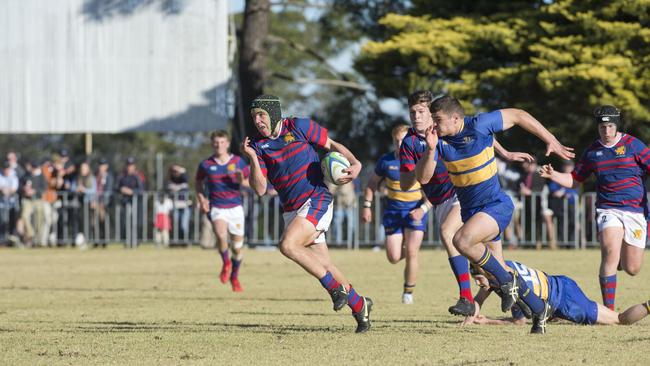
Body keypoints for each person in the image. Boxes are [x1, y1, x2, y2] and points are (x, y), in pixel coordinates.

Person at [418, 95, 574, 331]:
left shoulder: (479, 124)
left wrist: (551, 139)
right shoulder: (437, 141)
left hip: (496, 206)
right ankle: (540, 309)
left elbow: (519, 115)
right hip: (473, 214)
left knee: (461, 240)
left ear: (456, 118)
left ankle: (507, 282)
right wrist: (430, 150)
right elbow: (423, 177)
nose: (434, 124)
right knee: (495, 271)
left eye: (437, 119)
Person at [242, 94, 373, 333]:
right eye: (254, 117)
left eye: (262, 115)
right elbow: (260, 189)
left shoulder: (299, 126)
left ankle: (334, 289)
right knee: (323, 264)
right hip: (291, 210)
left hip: (316, 199)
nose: (258, 121)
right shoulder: (257, 146)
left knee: (288, 245)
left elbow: (332, 145)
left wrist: (355, 163)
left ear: (273, 114)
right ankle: (360, 304)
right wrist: (251, 157)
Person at [400, 91, 535, 316]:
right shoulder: (411, 143)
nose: (418, 117)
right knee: (490, 267)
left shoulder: (448, 131)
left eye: (423, 112)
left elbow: (480, 134)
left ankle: (465, 297)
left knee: (449, 233)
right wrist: (413, 166)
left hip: (461, 193)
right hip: (438, 200)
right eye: (412, 112)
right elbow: (408, 183)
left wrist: (505, 153)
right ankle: (530, 304)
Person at [540, 105, 650, 311]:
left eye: (609, 127)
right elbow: (574, 180)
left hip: (635, 210)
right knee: (609, 252)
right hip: (608, 209)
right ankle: (608, 310)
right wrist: (553, 175)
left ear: (616, 126)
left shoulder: (633, 145)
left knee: (633, 269)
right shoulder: (592, 151)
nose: (606, 132)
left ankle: (620, 260)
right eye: (602, 127)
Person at [468, 261, 650, 332]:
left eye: (478, 279)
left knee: (620, 320)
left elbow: (519, 322)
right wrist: (470, 316)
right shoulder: (501, 267)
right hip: (561, 283)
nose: (477, 284)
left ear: (488, 274)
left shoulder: (512, 288)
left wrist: (487, 321)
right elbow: (479, 299)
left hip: (566, 302)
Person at [363, 123, 428, 304]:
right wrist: (367, 206)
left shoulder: (421, 160)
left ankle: (408, 293)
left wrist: (422, 209)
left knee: (412, 252)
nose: (400, 145)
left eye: (403, 141)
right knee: (393, 257)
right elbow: (371, 184)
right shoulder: (386, 161)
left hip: (415, 212)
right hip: (393, 212)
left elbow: (434, 193)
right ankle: (409, 250)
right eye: (396, 141)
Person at [196, 130, 250, 292]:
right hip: (217, 206)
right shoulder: (206, 164)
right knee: (220, 235)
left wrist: (241, 179)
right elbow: (198, 182)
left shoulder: (238, 162)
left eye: (222, 142)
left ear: (227, 144)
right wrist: (202, 199)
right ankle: (226, 263)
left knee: (237, 247)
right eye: (215, 143)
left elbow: (249, 183)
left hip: (235, 208)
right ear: (212, 144)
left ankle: (234, 275)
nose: (218, 146)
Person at [520, 161, 556, 249]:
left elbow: (541, 187)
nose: (525, 166)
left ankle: (552, 242)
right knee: (532, 223)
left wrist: (530, 192)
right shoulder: (524, 175)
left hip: (542, 203)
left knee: (543, 222)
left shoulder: (539, 174)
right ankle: (535, 242)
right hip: (529, 204)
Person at [547, 161, 579, 244]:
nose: (567, 168)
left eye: (569, 166)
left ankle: (572, 242)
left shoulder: (575, 177)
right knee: (561, 223)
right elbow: (553, 188)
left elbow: (575, 190)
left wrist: (564, 192)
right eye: (566, 166)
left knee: (572, 222)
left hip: (571, 204)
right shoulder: (558, 177)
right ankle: (561, 242)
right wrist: (561, 193)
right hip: (560, 205)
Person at [117, 157, 144, 247]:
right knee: (125, 223)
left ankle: (135, 241)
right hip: (125, 202)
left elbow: (141, 190)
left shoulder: (138, 176)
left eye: (131, 165)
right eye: (128, 165)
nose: (130, 167)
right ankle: (127, 241)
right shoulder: (122, 176)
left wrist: (132, 192)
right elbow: (116, 187)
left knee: (136, 223)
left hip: (136, 203)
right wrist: (121, 189)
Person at [167, 164, 191, 242]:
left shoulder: (184, 178)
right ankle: (177, 242)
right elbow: (169, 188)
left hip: (185, 206)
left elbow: (186, 181)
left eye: (177, 171)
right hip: (175, 206)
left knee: (184, 225)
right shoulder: (171, 180)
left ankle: (185, 242)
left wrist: (181, 170)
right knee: (176, 225)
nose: (175, 173)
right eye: (173, 171)